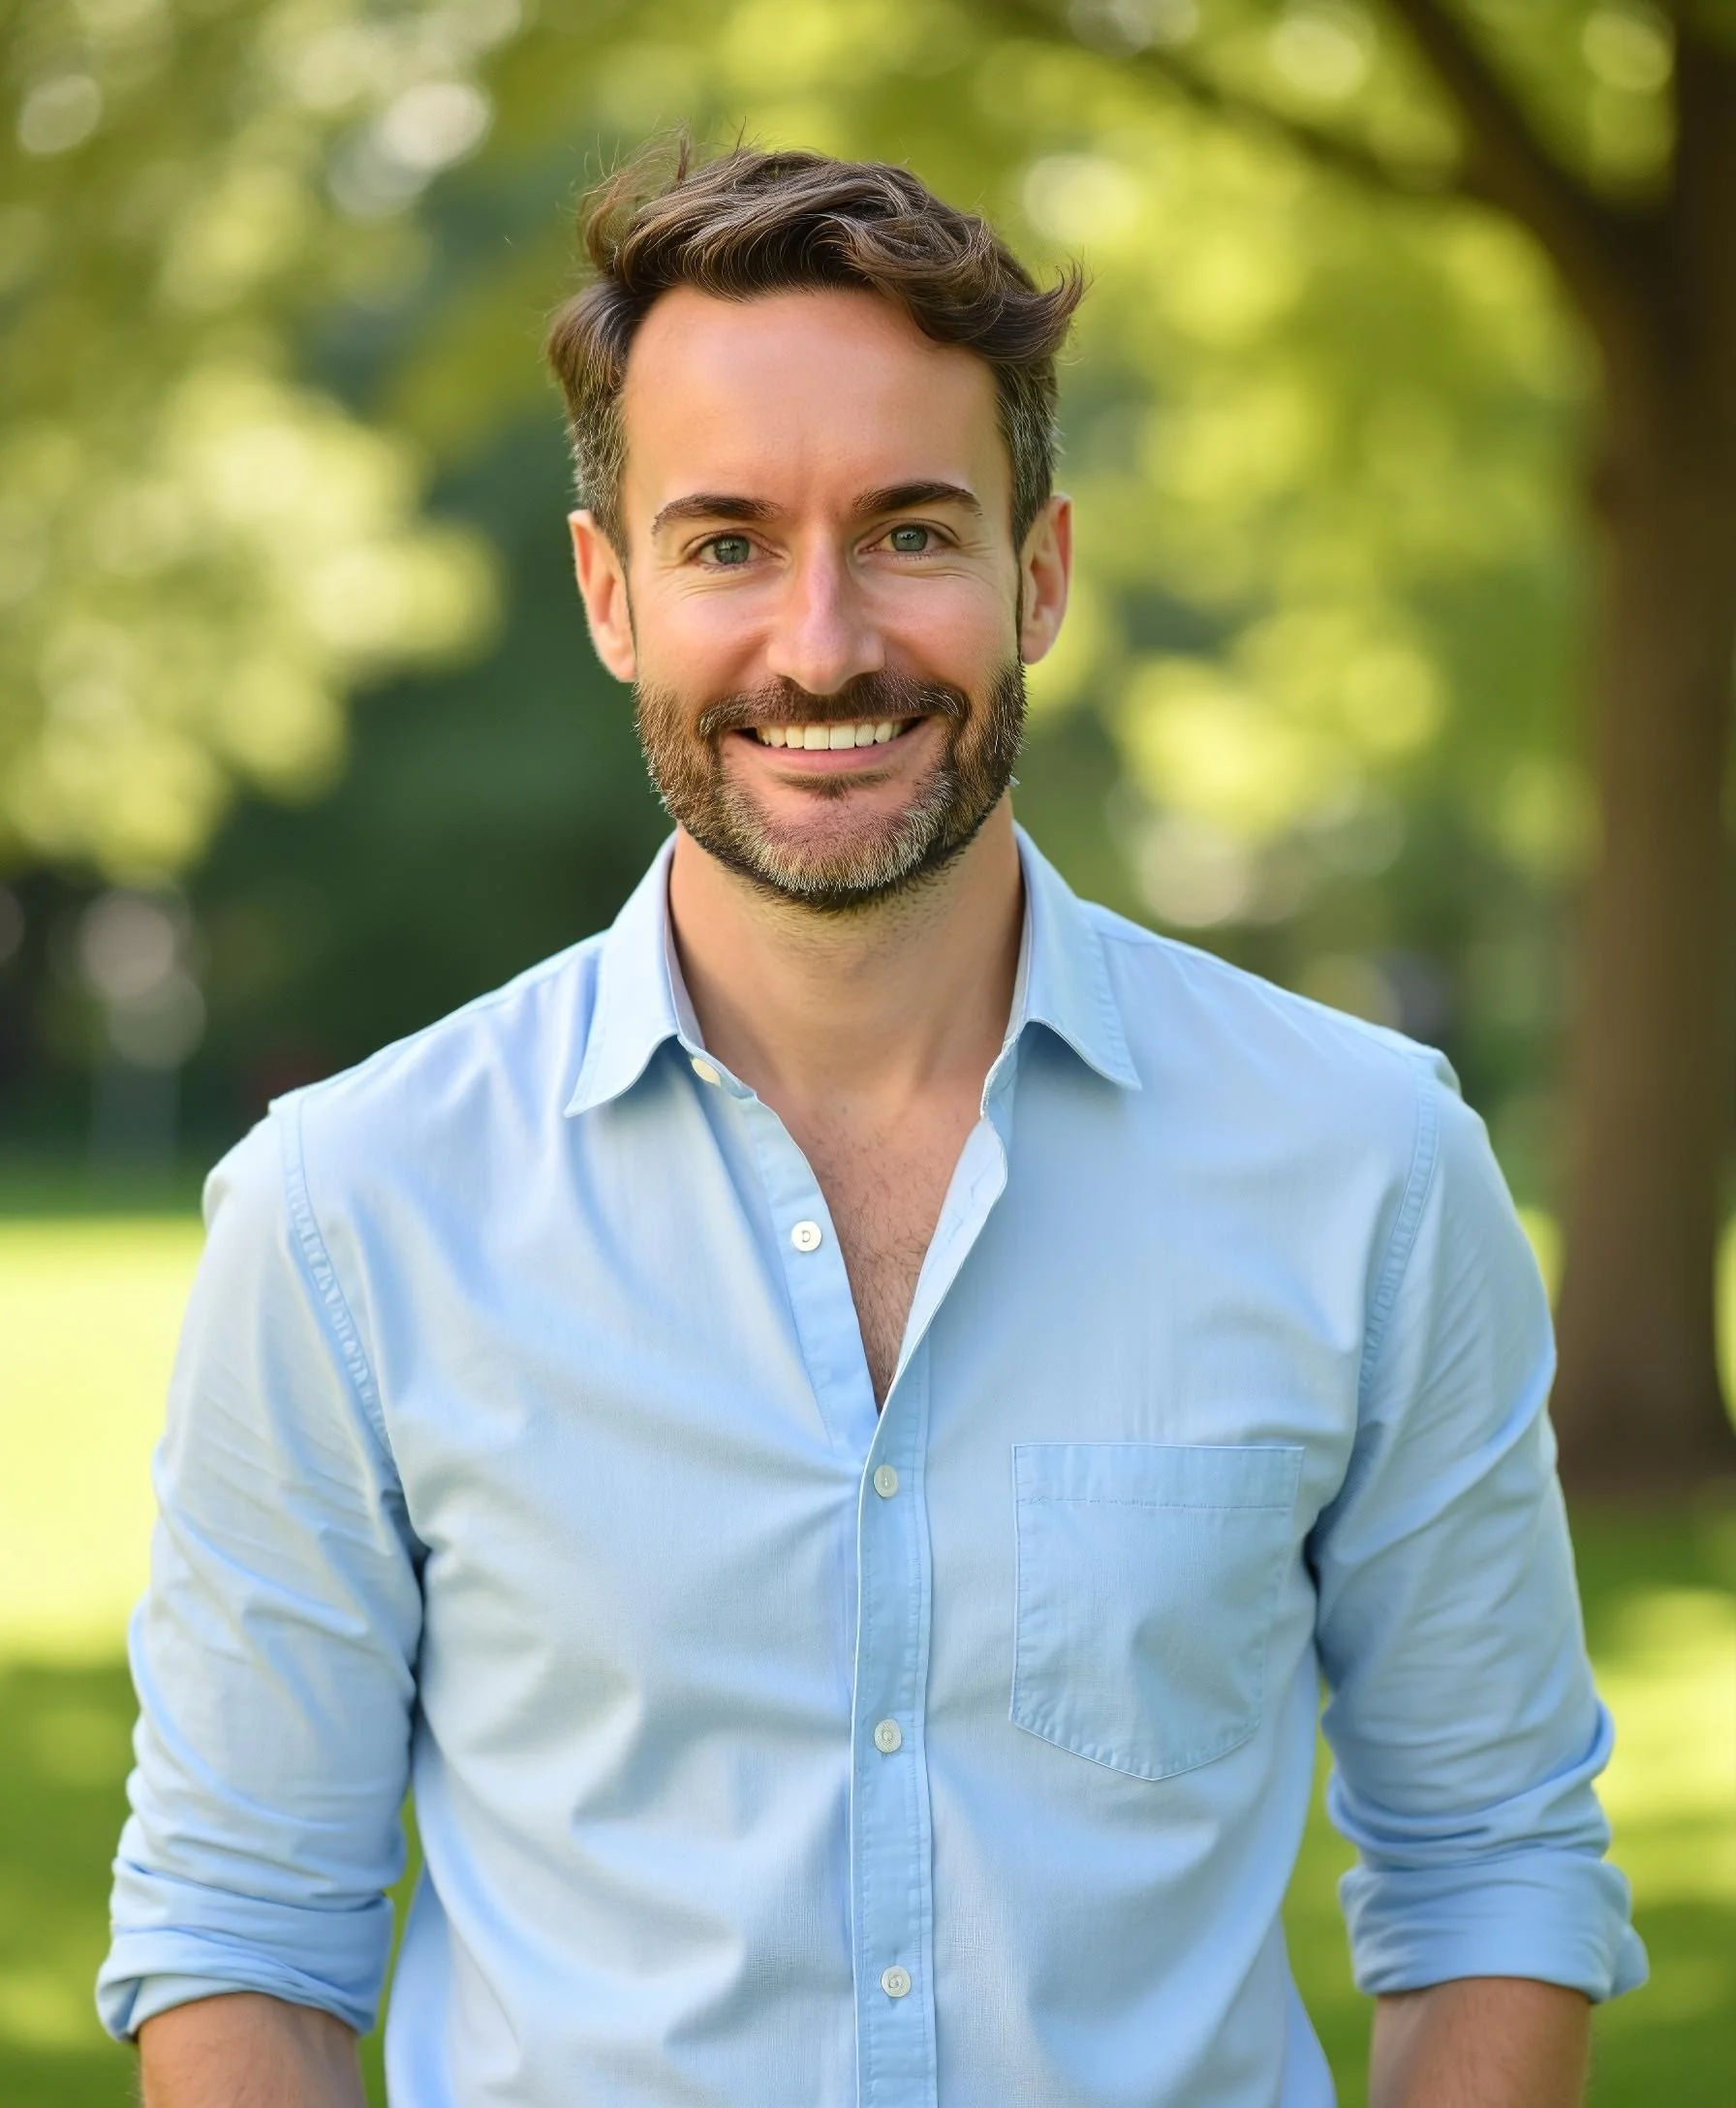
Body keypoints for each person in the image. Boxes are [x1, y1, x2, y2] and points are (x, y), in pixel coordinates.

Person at [100, 143, 1643, 2107]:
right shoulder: (348, 1209)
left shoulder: (1363, 1165)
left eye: (908, 532)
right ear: (610, 595)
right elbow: (242, 1936)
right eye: (726, 541)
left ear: (1041, 573)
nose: (821, 645)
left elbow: (1496, 1859)